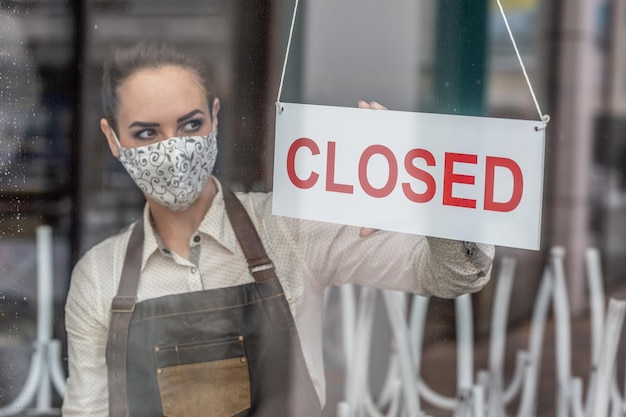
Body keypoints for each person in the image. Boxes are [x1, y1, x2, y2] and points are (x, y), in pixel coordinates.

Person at [63, 41, 495, 417]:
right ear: (113, 141)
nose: (173, 149)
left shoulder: (287, 230)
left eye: (190, 125)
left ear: (215, 117)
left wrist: (429, 181)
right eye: (146, 133)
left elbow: (455, 273)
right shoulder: (100, 276)